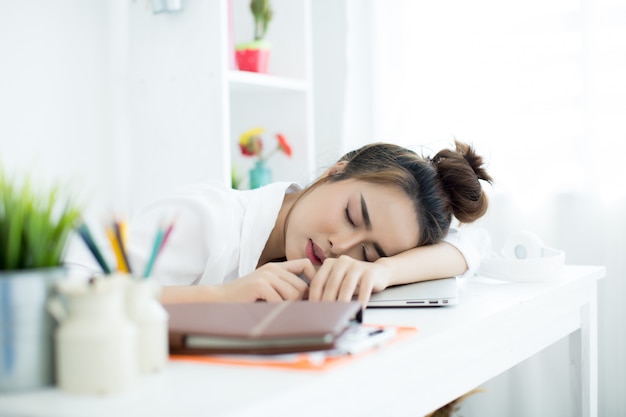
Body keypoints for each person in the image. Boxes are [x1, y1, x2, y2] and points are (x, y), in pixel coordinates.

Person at [67, 140, 492, 305]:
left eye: (367, 249)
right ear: (335, 171)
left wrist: (382, 270)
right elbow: (71, 294)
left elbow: (471, 246)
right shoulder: (206, 221)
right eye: (350, 215)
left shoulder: (324, 266)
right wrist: (222, 297)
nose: (341, 248)